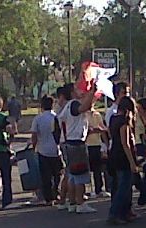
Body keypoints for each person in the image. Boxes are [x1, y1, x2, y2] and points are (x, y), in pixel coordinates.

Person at [58, 82, 99, 214]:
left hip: (69, 143)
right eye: (77, 89)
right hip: (76, 144)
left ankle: (72, 202)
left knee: (72, 176)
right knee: (80, 175)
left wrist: (90, 94)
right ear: (72, 93)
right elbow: (84, 107)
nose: (80, 90)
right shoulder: (74, 104)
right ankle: (80, 203)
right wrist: (92, 92)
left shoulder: (67, 106)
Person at [107, 97, 139, 224]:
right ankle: (115, 213)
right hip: (123, 156)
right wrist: (132, 162)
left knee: (118, 185)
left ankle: (124, 212)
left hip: (114, 153)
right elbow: (125, 143)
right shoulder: (124, 122)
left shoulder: (113, 119)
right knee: (124, 187)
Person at [30, 96, 62, 205]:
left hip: (43, 150)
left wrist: (34, 147)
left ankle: (49, 198)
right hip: (56, 150)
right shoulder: (56, 117)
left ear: (42, 105)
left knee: (45, 176)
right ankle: (56, 193)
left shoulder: (38, 119)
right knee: (57, 174)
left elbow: (34, 135)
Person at [87, 102, 110, 198]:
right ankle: (87, 190)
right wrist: (94, 130)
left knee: (98, 168)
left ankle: (98, 189)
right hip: (86, 145)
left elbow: (103, 130)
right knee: (87, 169)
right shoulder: (83, 115)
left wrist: (107, 145)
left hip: (97, 144)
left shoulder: (97, 114)